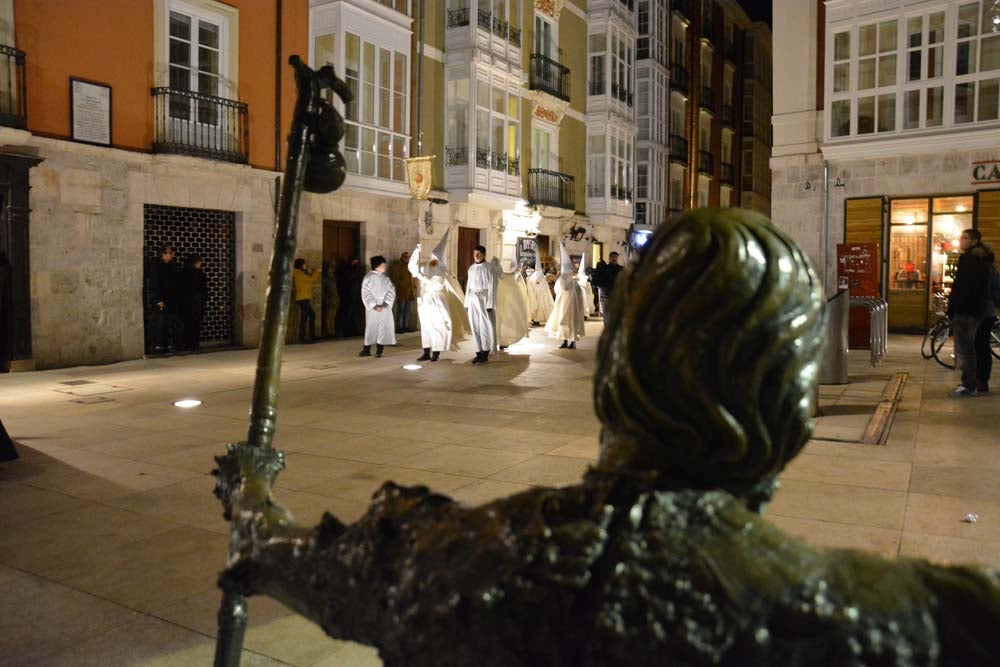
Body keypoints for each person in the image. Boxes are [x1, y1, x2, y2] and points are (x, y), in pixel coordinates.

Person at [947, 228, 993, 397]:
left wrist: (955, 307)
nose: (961, 240)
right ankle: (973, 383)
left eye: (965, 238)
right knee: (972, 348)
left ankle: (969, 385)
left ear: (974, 241)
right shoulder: (980, 260)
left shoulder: (971, 260)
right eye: (961, 237)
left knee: (966, 349)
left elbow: (965, 288)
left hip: (966, 310)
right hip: (973, 310)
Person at [408, 236, 469, 362]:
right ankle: (426, 351)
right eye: (432, 256)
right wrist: (416, 252)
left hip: (437, 302)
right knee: (426, 326)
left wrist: (421, 276)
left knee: (437, 326)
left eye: (436, 257)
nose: (433, 259)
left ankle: (436, 352)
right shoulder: (425, 267)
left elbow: (436, 283)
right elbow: (412, 268)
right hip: (425, 301)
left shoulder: (442, 271)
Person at [545, 242, 586, 349]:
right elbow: (557, 290)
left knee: (571, 324)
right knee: (562, 323)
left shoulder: (574, 284)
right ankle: (564, 341)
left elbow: (579, 297)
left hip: (572, 310)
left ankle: (572, 342)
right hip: (563, 307)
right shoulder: (561, 282)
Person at [466, 244, 499, 364]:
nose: (476, 256)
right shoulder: (471, 268)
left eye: (478, 254)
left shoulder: (489, 268)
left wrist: (490, 304)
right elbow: (468, 286)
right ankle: (478, 351)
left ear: (484, 254)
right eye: (474, 254)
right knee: (474, 325)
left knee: (485, 325)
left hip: (484, 298)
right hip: (473, 298)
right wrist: (467, 303)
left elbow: (492, 287)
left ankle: (486, 351)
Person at [147, 244, 181, 354]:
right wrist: (158, 299)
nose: (171, 255)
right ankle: (158, 345)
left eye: (171, 253)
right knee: (160, 323)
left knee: (171, 323)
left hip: (172, 299)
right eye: (169, 253)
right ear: (163, 254)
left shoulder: (172, 265)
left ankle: (169, 344)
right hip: (160, 300)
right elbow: (154, 284)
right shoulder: (156, 266)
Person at [360, 255, 396, 358]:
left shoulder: (386, 279)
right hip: (373, 308)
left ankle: (380, 349)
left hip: (384, 307)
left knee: (383, 327)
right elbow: (365, 293)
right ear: (377, 265)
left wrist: (386, 304)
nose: (385, 267)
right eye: (383, 265)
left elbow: (391, 291)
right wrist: (374, 305)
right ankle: (366, 349)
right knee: (371, 327)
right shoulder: (368, 278)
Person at [974, 242, 998, 394]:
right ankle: (981, 380)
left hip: (984, 312)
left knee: (981, 347)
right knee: (981, 346)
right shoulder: (990, 268)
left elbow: (988, 291)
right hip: (987, 312)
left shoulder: (986, 270)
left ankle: (981, 381)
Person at [493, 252, 530, 350]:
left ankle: (502, 341)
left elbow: (504, 277)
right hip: (495, 300)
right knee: (498, 321)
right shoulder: (493, 273)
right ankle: (498, 341)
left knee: (502, 320)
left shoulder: (502, 274)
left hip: (501, 300)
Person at [179, 254, 208, 352]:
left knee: (196, 324)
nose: (200, 264)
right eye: (198, 262)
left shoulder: (200, 273)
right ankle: (188, 344)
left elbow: (204, 289)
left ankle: (195, 344)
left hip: (197, 303)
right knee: (188, 324)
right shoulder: (186, 273)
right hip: (188, 304)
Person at [293, 258, 320, 344]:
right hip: (302, 298)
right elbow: (311, 279)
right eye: (304, 264)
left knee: (312, 315)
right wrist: (317, 271)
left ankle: (312, 335)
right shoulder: (298, 274)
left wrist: (308, 271)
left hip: (304, 298)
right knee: (304, 318)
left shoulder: (300, 273)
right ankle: (302, 338)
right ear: (300, 265)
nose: (306, 266)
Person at [593, 251, 623, 325]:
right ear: (609, 258)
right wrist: (599, 270)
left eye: (615, 257)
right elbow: (597, 281)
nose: (614, 258)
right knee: (607, 318)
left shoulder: (621, 269)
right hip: (606, 296)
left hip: (618, 296)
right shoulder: (604, 268)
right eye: (612, 257)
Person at [390, 251, 417, 334]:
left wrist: (414, 287)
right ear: (402, 257)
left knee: (407, 310)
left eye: (408, 257)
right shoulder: (398, 266)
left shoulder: (410, 266)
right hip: (402, 291)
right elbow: (395, 278)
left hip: (409, 291)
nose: (407, 258)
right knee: (401, 309)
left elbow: (413, 277)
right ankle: (399, 327)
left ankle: (406, 326)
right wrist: (403, 285)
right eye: (405, 257)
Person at [525, 253, 554, 326]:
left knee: (537, 308)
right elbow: (545, 285)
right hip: (543, 295)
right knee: (543, 308)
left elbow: (531, 284)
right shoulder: (541, 275)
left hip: (536, 295)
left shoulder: (533, 276)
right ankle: (539, 320)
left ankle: (536, 320)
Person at [321, 260, 339, 337]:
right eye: (330, 268)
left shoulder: (333, 278)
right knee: (328, 316)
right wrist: (326, 299)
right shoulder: (325, 279)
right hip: (330, 299)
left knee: (333, 316)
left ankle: (332, 330)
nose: (332, 270)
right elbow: (323, 290)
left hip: (335, 298)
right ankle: (328, 331)